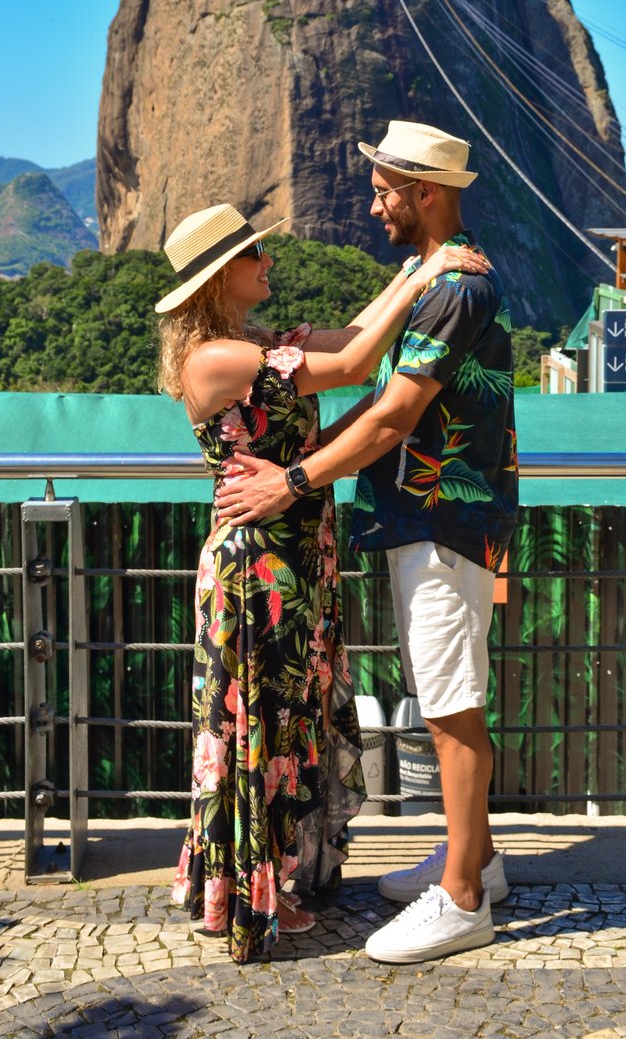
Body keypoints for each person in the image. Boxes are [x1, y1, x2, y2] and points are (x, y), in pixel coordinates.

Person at [215, 122, 519, 964]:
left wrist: (292, 482)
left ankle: (461, 901)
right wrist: (308, 465)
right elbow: (368, 389)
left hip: (444, 519)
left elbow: (393, 415)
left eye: (386, 190)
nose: (375, 203)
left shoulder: (458, 288)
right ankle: (478, 861)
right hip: (420, 517)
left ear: (425, 191)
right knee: (441, 693)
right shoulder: (431, 278)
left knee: (453, 708)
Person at [156, 200, 487, 963]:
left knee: (290, 719)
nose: (268, 263)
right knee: (261, 726)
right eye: (254, 257)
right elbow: (356, 365)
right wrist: (428, 275)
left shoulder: (255, 343)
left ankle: (286, 878)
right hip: (258, 569)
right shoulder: (215, 358)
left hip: (298, 560)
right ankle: (250, 894)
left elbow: (350, 340)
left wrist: (413, 271)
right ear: (219, 279)